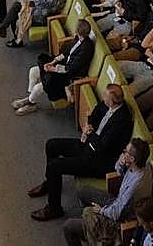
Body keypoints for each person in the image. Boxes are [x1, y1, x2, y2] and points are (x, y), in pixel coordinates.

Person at [29, 83, 134, 220]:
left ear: (113, 101)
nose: (103, 98)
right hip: (89, 145)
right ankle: (50, 182)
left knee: (55, 166)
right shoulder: (108, 104)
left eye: (105, 97)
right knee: (52, 145)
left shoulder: (122, 121)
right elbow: (95, 112)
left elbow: (103, 146)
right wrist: (88, 126)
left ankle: (54, 208)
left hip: (98, 161)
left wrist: (89, 135)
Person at [62, 137, 153, 246]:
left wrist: (101, 211)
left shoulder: (135, 186)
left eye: (125, 151)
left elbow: (116, 213)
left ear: (132, 159)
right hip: (118, 201)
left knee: (68, 226)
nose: (123, 152)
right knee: (82, 191)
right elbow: (119, 172)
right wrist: (120, 163)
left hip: (121, 216)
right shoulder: (142, 164)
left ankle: (91, 229)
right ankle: (90, 227)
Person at [15, 19, 95, 114]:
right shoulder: (78, 39)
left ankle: (31, 104)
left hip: (69, 75)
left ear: (78, 30)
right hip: (62, 66)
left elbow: (72, 68)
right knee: (33, 71)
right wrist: (53, 62)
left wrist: (54, 69)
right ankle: (30, 98)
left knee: (38, 87)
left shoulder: (87, 48)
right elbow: (66, 52)